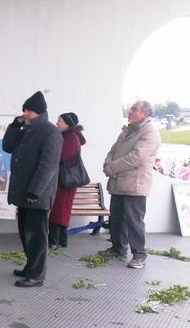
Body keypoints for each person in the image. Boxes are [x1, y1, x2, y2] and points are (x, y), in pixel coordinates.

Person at [2, 91, 62, 287]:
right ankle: (30, 266)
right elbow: (7, 147)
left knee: (36, 236)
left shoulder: (50, 132)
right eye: (24, 110)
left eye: (28, 110)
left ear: (37, 112)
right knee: (24, 232)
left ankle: (37, 275)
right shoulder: (26, 129)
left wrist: (34, 191)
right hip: (23, 193)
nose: (24, 113)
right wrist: (14, 126)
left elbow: (48, 165)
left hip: (37, 194)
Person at [98, 101, 161, 269]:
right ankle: (118, 248)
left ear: (145, 114)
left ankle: (139, 255)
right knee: (116, 219)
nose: (130, 111)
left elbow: (137, 157)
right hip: (118, 182)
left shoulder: (150, 132)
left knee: (134, 222)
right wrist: (107, 165)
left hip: (135, 185)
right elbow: (112, 151)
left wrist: (112, 167)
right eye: (131, 108)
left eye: (135, 109)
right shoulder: (127, 130)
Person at [49, 112, 86, 249]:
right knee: (60, 209)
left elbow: (61, 156)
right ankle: (61, 240)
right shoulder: (68, 136)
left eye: (59, 121)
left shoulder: (71, 138)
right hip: (62, 180)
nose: (57, 123)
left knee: (59, 210)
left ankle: (54, 240)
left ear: (67, 124)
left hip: (65, 181)